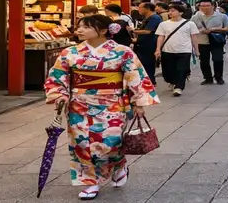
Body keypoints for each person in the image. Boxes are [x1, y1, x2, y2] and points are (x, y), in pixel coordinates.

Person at [45, 15, 158, 200]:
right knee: (82, 143)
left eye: (85, 27)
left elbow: (135, 75)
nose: (79, 30)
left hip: (112, 103)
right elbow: (58, 76)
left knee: (111, 142)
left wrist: (138, 102)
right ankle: (90, 182)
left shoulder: (122, 52)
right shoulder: (70, 52)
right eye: (79, 26)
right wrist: (59, 95)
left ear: (104, 30)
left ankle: (119, 164)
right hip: (79, 104)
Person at [155, 4, 197, 96]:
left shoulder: (190, 24)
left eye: (173, 11)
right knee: (168, 71)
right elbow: (160, 37)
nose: (170, 13)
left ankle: (179, 87)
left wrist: (196, 50)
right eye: (169, 11)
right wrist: (158, 49)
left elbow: (193, 37)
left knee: (181, 69)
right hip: (167, 50)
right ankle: (172, 81)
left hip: (184, 50)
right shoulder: (163, 24)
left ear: (181, 12)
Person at [192, 0, 228, 85]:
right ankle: (207, 78)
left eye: (207, 5)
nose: (204, 8)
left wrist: (215, 29)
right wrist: (200, 30)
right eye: (202, 6)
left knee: (218, 60)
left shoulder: (222, 16)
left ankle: (218, 77)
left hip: (216, 41)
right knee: (204, 61)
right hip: (202, 41)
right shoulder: (195, 17)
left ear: (213, 6)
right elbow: (191, 29)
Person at [132, 3, 162, 87]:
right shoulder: (148, 18)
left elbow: (147, 31)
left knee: (148, 63)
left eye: (140, 7)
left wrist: (133, 30)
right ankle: (148, 81)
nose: (138, 9)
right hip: (143, 44)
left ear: (147, 8)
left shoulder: (154, 18)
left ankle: (151, 82)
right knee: (144, 63)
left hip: (150, 44)